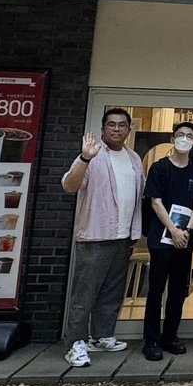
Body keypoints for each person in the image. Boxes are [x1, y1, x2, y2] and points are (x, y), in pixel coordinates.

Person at [59, 107, 144, 368]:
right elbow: (69, 186)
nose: (116, 129)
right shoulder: (92, 155)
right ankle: (75, 344)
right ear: (103, 128)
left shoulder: (134, 158)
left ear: (129, 129)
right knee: (84, 294)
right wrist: (84, 159)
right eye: (111, 125)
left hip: (123, 236)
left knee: (112, 291)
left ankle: (102, 335)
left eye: (122, 125)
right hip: (95, 236)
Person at [139, 121, 193, 361]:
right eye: (179, 135)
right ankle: (151, 340)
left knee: (179, 290)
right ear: (172, 140)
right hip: (161, 238)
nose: (183, 139)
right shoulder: (159, 168)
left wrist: (187, 230)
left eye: (188, 136)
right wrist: (173, 230)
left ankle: (170, 336)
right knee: (156, 289)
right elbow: (155, 202)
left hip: (185, 238)